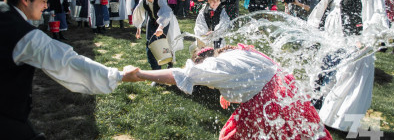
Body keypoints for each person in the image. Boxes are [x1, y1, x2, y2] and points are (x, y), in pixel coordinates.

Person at [0, 0, 139, 140]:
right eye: (43, 1)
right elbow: (68, 63)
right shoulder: (25, 36)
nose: (45, 6)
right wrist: (119, 75)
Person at [127, 44, 332, 140]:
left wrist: (140, 74)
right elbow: (251, 74)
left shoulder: (215, 67)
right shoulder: (237, 52)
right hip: (288, 93)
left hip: (269, 105)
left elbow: (178, 75)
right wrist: (225, 94)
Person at [307, 0, 389, 131]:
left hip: (352, 47)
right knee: (322, 78)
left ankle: (340, 124)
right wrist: (311, 33)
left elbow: (376, 16)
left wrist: (366, 40)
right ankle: (320, 116)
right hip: (330, 44)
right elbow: (318, 14)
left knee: (348, 86)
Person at [132, 0, 183, 71]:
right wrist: (138, 28)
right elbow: (138, 14)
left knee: (164, 44)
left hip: (165, 21)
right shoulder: (142, 1)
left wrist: (161, 27)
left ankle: (169, 62)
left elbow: (166, 13)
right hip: (152, 21)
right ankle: (156, 71)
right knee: (150, 44)